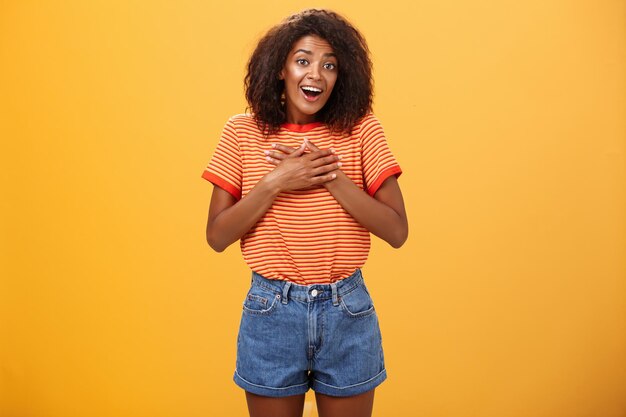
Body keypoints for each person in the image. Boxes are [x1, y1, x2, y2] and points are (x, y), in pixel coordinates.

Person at [201, 8, 408, 417]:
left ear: (341, 76)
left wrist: (331, 175)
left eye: (329, 65)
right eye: (303, 61)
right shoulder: (241, 131)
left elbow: (397, 231)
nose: (316, 74)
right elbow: (217, 236)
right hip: (271, 311)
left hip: (346, 309)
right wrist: (277, 180)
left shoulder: (361, 129)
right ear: (280, 68)